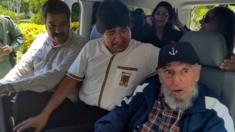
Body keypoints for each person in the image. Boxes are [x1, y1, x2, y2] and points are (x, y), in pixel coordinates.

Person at [11, 1, 159, 132]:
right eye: (111, 32)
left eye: (124, 31)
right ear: (101, 32)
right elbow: (70, 81)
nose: (119, 38)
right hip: (81, 110)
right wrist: (44, 114)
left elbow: (175, 60)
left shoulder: (146, 52)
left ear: (130, 27)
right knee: (26, 100)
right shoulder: (91, 48)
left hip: (115, 117)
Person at [95, 42, 234, 132]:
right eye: (168, 72)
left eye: (185, 71)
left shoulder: (215, 111)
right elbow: (121, 113)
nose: (176, 81)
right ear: (159, 76)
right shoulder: (147, 89)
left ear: (197, 74)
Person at [0, 0, 86, 130]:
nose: (58, 30)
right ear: (44, 24)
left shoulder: (79, 44)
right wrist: (4, 85)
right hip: (35, 93)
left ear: (69, 22)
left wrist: (10, 87)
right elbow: (24, 66)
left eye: (63, 24)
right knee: (5, 99)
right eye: (52, 25)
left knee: (25, 97)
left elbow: (54, 77)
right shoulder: (40, 40)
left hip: (61, 102)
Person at [174, 6, 235, 71]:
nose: (200, 21)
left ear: (222, 26)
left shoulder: (231, 63)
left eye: (206, 19)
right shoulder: (194, 49)